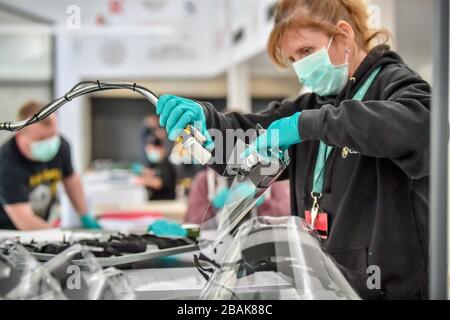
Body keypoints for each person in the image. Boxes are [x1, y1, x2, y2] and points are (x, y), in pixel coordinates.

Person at [155, 0, 430, 299]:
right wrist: (206, 122)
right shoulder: (314, 104)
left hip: (390, 290)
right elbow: (244, 144)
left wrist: (305, 126)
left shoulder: (393, 83)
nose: (300, 70)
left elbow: (422, 127)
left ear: (343, 34)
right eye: (293, 59)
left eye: (306, 52)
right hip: (324, 285)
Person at [0, 102, 100, 230]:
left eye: (53, 135)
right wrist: (58, 236)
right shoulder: (6, 163)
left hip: (40, 224)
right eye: (41, 139)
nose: (49, 143)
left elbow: (70, 178)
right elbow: (25, 222)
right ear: (20, 135)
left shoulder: (60, 145)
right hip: (7, 232)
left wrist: (84, 215)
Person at [185, 167, 290, 225]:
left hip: (260, 241)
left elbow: (288, 217)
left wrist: (262, 203)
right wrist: (213, 206)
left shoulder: (270, 177)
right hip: (215, 248)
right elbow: (192, 222)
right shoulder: (204, 180)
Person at [135, 129, 176, 201]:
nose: (150, 153)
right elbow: (153, 173)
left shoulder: (166, 164)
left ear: (160, 148)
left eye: (151, 150)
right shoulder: (157, 164)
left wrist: (142, 181)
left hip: (164, 202)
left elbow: (159, 183)